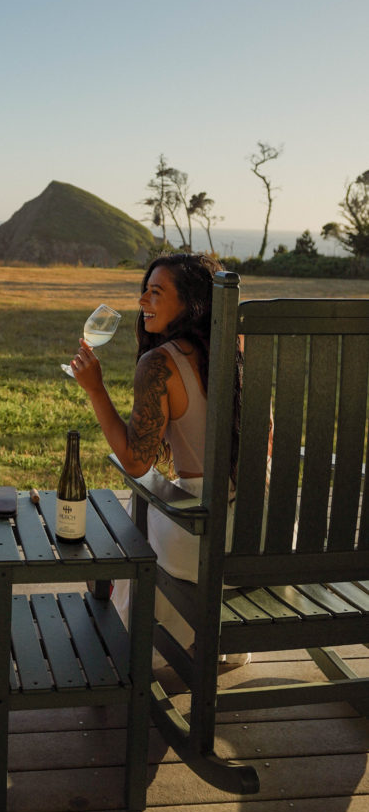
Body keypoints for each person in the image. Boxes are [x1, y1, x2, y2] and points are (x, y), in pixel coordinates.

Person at [69, 252, 249, 666]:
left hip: (202, 536)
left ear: (191, 303)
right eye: (143, 291)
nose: (142, 301)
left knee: (131, 516)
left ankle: (131, 641)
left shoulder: (161, 364)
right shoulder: (241, 353)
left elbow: (135, 463)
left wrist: (95, 390)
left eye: (156, 292)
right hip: (261, 534)